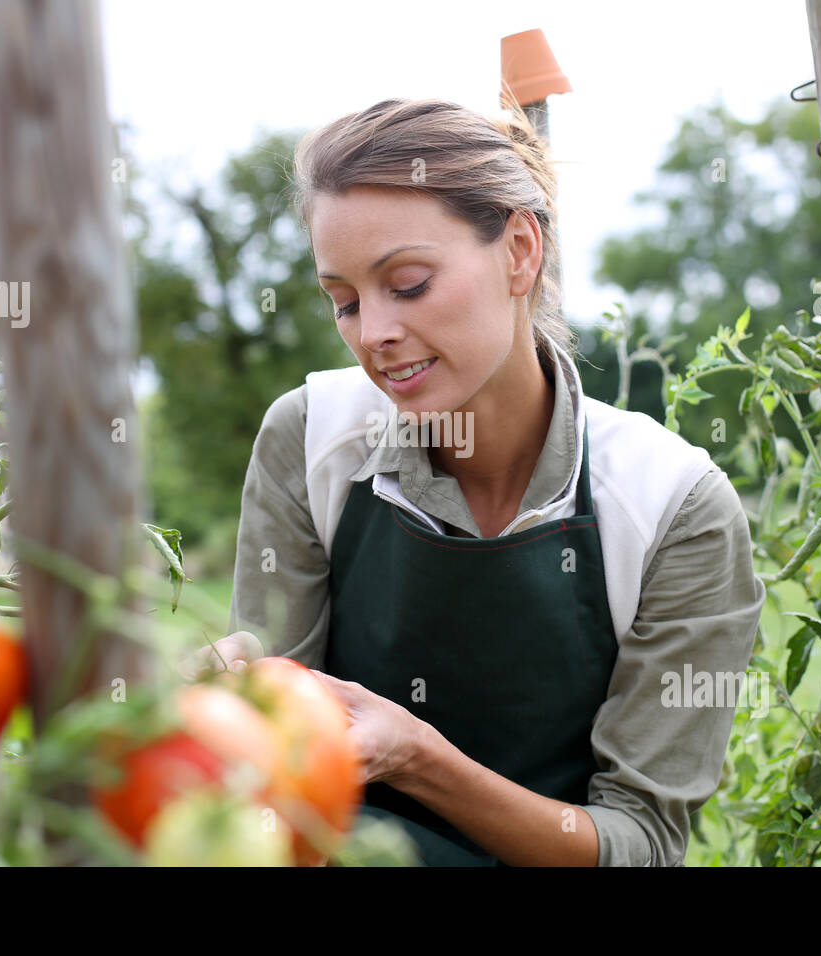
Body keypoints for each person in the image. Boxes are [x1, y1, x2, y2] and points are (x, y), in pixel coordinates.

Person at [215, 97, 765, 866]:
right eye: (343, 301)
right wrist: (220, 711)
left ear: (519, 249)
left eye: (407, 284)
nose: (372, 335)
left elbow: (637, 845)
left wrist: (422, 759)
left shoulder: (672, 504)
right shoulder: (311, 439)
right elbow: (274, 756)